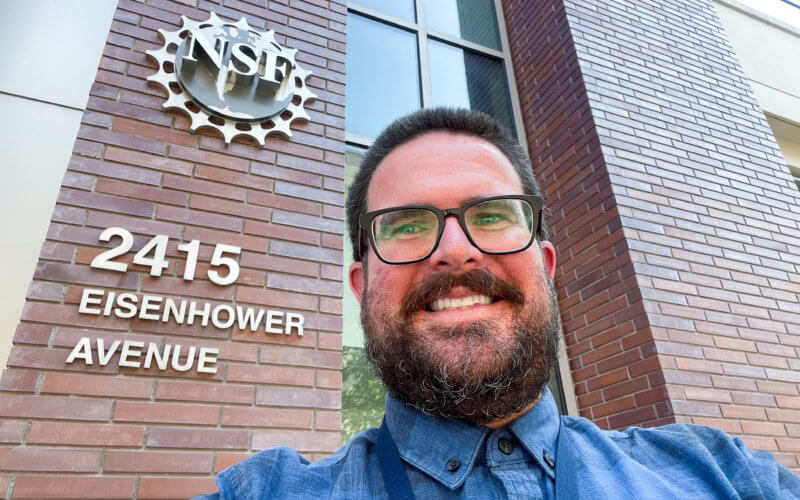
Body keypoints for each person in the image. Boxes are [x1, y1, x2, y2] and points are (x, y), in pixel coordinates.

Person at [197, 108, 800, 499]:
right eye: (407, 225)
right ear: (361, 287)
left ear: (546, 265)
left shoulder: (722, 476)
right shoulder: (266, 492)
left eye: (490, 215)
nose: (456, 252)